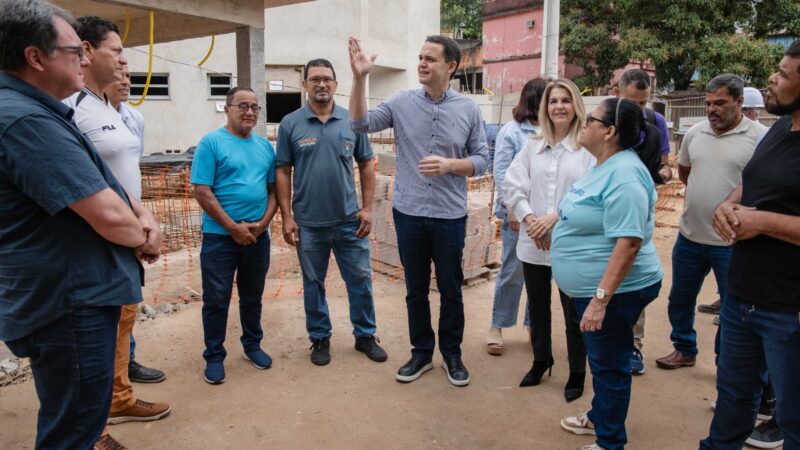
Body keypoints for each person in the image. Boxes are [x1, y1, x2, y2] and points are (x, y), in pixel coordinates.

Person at [0, 1, 150, 447]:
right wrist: (143, 232)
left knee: (77, 416)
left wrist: (138, 214)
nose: (84, 58)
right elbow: (105, 214)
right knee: (74, 430)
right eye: (74, 50)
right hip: (70, 303)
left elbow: (103, 188)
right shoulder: (26, 120)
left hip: (74, 292)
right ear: (36, 57)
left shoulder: (40, 111)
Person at [348, 35, 489, 386]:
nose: (422, 64)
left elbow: (482, 161)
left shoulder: (469, 109)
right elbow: (359, 125)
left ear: (451, 66)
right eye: (420, 57)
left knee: (451, 288)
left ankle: (452, 355)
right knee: (414, 288)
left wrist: (450, 165)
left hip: (449, 215)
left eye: (431, 59)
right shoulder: (401, 102)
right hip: (409, 212)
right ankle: (421, 353)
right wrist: (360, 77)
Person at [64, 15, 170, 448]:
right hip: (94, 243)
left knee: (121, 323)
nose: (125, 62)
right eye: (118, 51)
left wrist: (143, 220)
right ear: (87, 52)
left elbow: (121, 177)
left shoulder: (106, 108)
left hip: (125, 239)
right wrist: (134, 229)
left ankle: (119, 398)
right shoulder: (68, 109)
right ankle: (92, 431)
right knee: (89, 340)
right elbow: (82, 186)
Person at [701, 39, 800, 450]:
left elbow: (766, 212)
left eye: (783, 75)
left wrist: (760, 222)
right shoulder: (781, 127)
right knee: (735, 400)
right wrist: (730, 203)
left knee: (794, 418)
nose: (772, 80)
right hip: (743, 298)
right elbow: (755, 179)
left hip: (790, 310)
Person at [555, 98, 664, 450]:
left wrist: (601, 301)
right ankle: (600, 417)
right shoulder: (605, 163)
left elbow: (629, 243)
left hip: (616, 291)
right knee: (602, 358)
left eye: (591, 119)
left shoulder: (625, 175)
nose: (583, 123)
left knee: (609, 364)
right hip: (596, 287)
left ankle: (610, 441)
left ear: (610, 131)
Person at [276, 58, 387, 366]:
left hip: (350, 221)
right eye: (315, 79)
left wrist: (366, 208)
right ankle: (320, 338)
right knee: (313, 283)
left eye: (327, 79)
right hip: (309, 224)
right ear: (305, 84)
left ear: (336, 85)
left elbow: (367, 163)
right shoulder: (290, 123)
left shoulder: (353, 119)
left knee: (361, 280)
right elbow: (283, 171)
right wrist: (286, 216)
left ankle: (365, 335)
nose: (321, 84)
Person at [655, 74, 763, 371]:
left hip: (731, 242)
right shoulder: (695, 134)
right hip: (690, 236)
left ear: (739, 102)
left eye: (720, 103)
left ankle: (724, 363)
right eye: (708, 103)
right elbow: (686, 173)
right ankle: (684, 348)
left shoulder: (760, 138)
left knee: (731, 308)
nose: (712, 109)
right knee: (680, 298)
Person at [503, 78, 594, 402]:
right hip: (533, 241)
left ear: (576, 107)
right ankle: (542, 360)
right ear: (545, 107)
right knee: (538, 307)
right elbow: (513, 185)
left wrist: (554, 219)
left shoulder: (587, 150)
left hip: (571, 243)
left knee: (573, 312)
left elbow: (590, 194)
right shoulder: (532, 147)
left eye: (565, 101)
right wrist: (531, 220)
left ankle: (577, 372)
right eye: (553, 101)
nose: (559, 107)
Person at [190, 87, 278, 385]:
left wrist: (263, 224)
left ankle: (252, 345)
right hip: (220, 239)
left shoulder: (265, 147)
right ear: (227, 108)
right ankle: (214, 357)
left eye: (254, 107)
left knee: (252, 297)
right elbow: (202, 191)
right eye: (243, 106)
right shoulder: (211, 143)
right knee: (216, 300)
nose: (250, 112)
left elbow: (273, 191)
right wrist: (232, 227)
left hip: (257, 237)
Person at [104, 64, 166, 384]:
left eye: (129, 77)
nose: (125, 83)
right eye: (119, 77)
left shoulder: (133, 118)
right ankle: (111, 377)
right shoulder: (83, 114)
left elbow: (131, 165)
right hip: (104, 220)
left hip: (132, 221)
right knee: (111, 301)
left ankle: (125, 362)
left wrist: (142, 219)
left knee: (129, 297)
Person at [615, 68, 672, 375]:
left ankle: (633, 347)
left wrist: (659, 177)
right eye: (632, 102)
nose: (638, 109)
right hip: (609, 207)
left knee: (632, 273)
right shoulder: (605, 120)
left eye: (643, 102)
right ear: (618, 92)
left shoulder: (656, 122)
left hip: (639, 207)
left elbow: (665, 164)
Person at [486, 77, 547, 356]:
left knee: (542, 273)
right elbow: (501, 173)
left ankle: (532, 323)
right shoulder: (511, 132)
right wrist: (512, 209)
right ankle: (497, 325)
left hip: (545, 217)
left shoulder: (552, 131)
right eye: (549, 98)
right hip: (518, 215)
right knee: (513, 271)